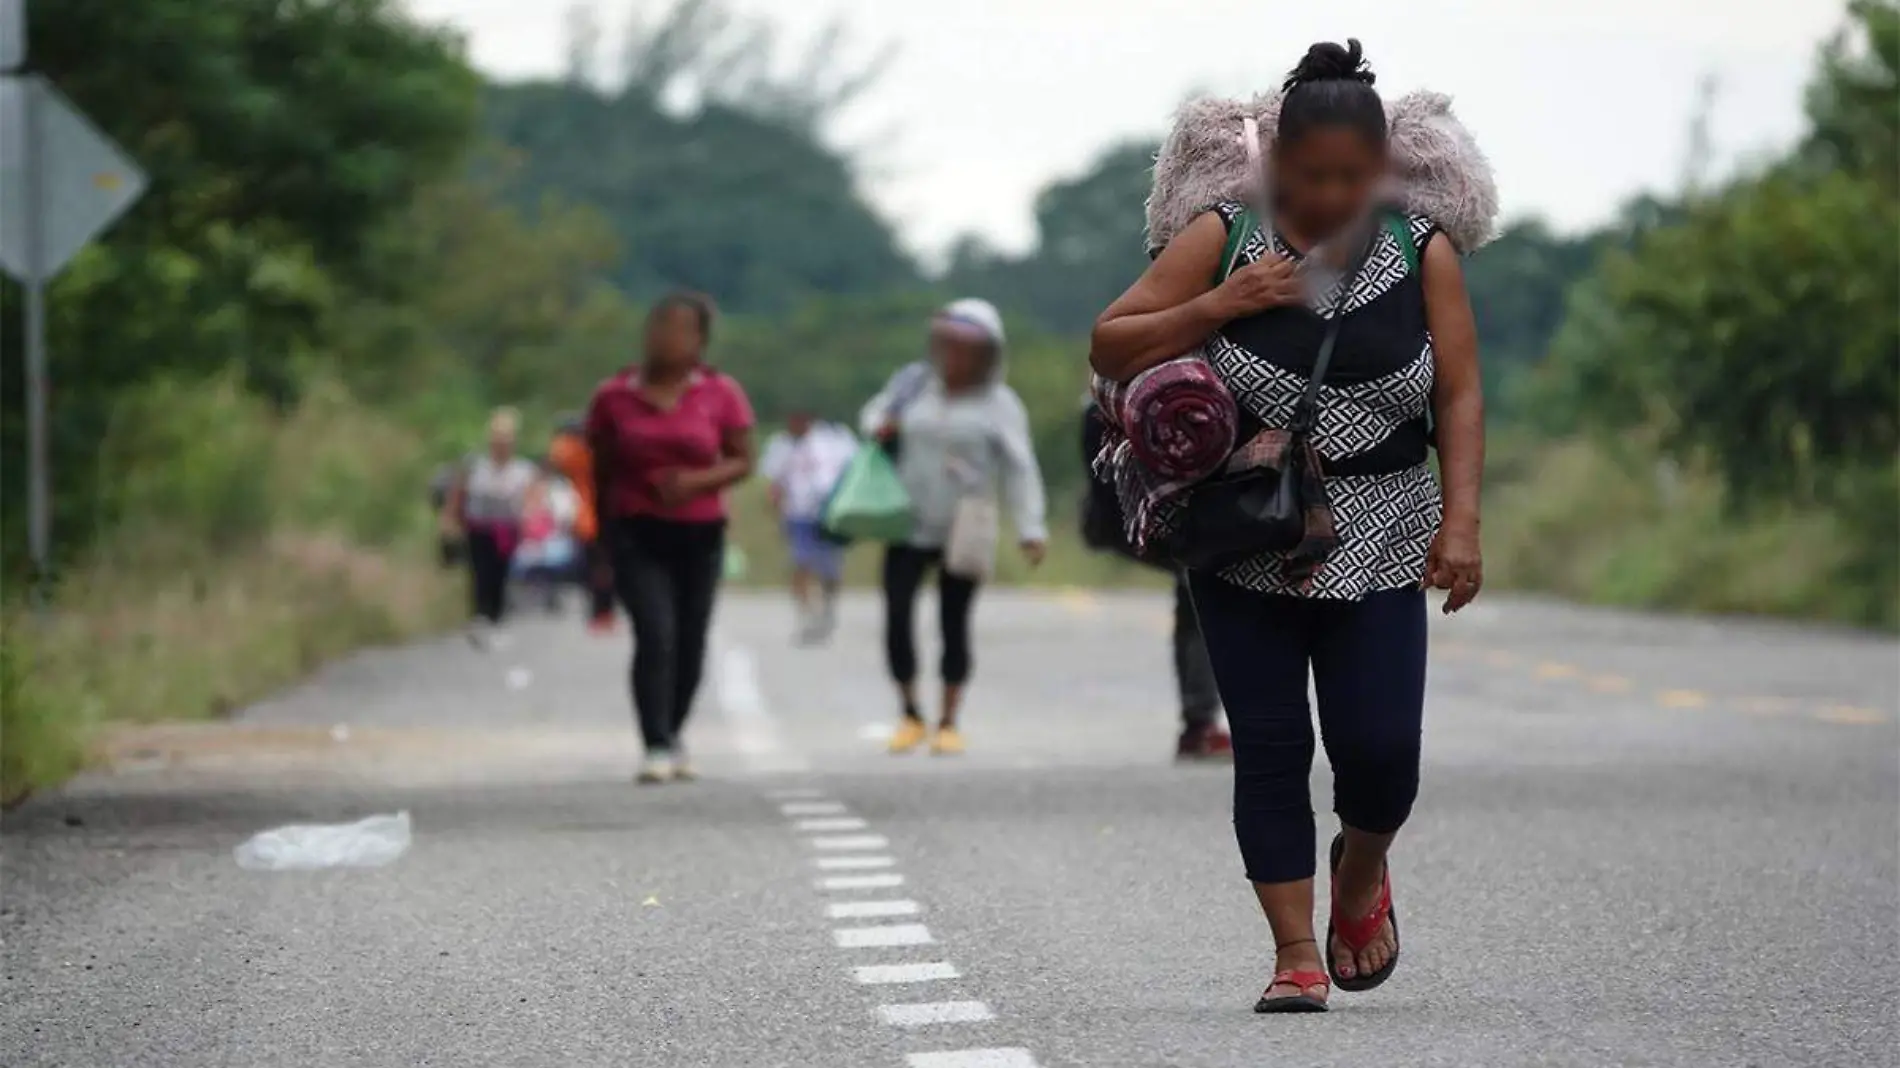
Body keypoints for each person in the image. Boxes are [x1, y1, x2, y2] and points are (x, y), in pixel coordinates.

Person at [1090, 41, 1486, 1012]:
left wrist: (1464, 523)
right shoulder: (1223, 236)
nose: (1332, 197)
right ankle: (1294, 954)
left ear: (1382, 171)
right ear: (1276, 168)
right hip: (1244, 530)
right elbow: (1110, 341)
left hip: (1387, 523)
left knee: (1382, 749)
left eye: (1354, 178)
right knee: (1270, 747)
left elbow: (1461, 390)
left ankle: (1361, 872)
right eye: (1312, 179)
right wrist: (1226, 301)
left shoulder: (1420, 247)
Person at [863, 298, 1048, 756]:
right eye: (947, 344)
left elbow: (1020, 467)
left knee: (954, 620)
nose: (954, 356)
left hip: (965, 523)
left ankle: (948, 719)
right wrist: (882, 425)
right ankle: (909, 712)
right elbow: (871, 416)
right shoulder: (913, 385)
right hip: (907, 519)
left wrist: (1031, 526)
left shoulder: (1000, 403)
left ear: (988, 354)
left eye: (966, 348)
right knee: (897, 614)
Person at [587, 292, 756, 785]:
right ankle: (655, 742)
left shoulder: (721, 393)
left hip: (700, 532)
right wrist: (600, 538)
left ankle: (675, 729)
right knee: (655, 633)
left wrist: (695, 482)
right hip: (636, 530)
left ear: (699, 341)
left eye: (679, 329)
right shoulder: (613, 397)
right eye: (657, 325)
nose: (665, 337)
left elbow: (744, 459)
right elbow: (600, 469)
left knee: (689, 638)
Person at [1079, 397, 1233, 762]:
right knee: (1199, 599)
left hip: (1142, 522)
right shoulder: (1177, 396)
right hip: (1167, 521)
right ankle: (1201, 721)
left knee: (1195, 598)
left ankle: (1200, 722)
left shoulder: (1107, 401)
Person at [443, 407, 540, 649]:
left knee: (501, 574)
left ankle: (495, 619)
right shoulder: (476, 467)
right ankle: (479, 617)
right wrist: (449, 521)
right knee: (479, 573)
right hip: (478, 529)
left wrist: (530, 521)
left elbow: (532, 499)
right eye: (498, 441)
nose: (502, 446)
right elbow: (458, 496)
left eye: (506, 441)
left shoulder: (522, 470)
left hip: (507, 531)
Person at [759, 410, 857, 644]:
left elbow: (852, 470)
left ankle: (828, 607)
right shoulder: (781, 445)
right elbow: (775, 481)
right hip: (798, 513)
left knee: (830, 567)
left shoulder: (834, 440)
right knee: (800, 563)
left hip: (828, 514)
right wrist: (776, 504)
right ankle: (806, 616)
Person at [548, 414, 616, 632]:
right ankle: (603, 611)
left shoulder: (576, 453)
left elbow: (556, 455)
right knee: (600, 568)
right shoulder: (603, 452)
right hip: (598, 519)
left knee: (597, 569)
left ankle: (602, 611)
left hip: (591, 520)